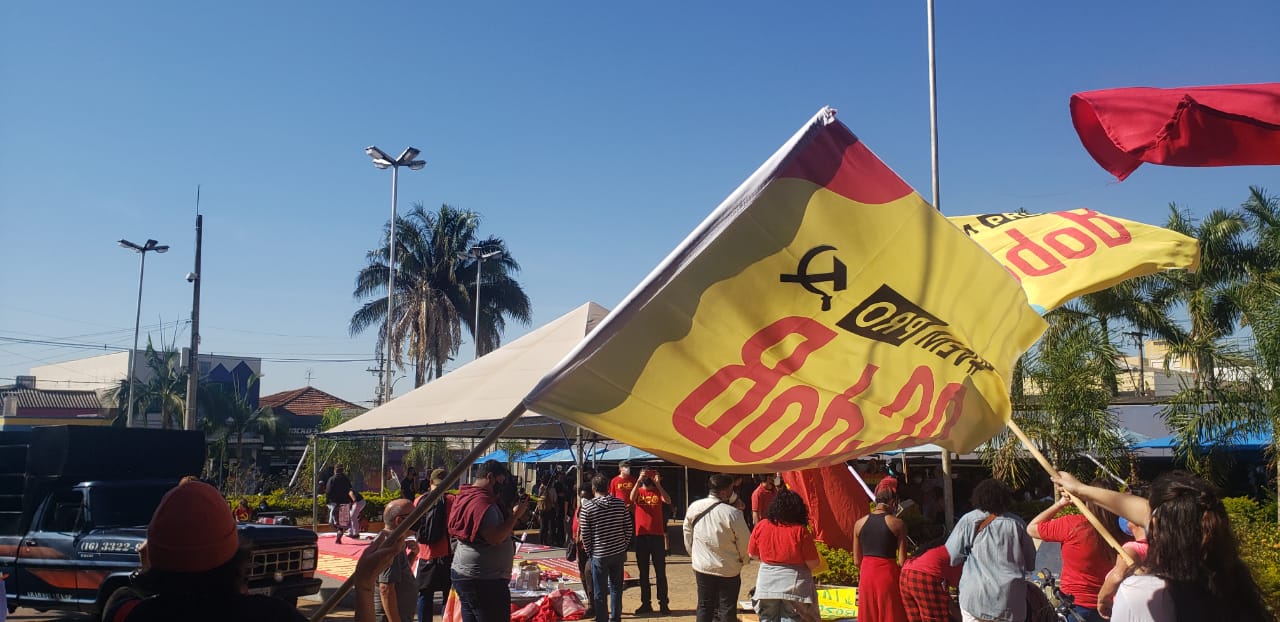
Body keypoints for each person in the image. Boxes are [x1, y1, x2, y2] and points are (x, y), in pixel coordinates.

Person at [103, 480, 404, 622]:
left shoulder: (131, 614)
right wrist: (364, 586)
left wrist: (146, 570)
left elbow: (127, 595)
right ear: (237, 554)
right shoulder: (273, 616)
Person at [1053, 471, 1273, 622]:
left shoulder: (1141, 594)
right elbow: (1166, 516)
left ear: (1156, 525)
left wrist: (1082, 490)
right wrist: (1080, 489)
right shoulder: (1233, 583)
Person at [1026, 479, 1123, 622]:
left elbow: (1032, 528)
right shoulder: (1123, 530)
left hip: (1075, 606)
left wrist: (1060, 504)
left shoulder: (1073, 525)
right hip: (1111, 606)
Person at [447, 460, 529, 622]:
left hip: (468, 574)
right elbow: (495, 537)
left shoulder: (467, 495)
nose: (502, 486)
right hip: (483, 580)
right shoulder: (483, 503)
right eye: (501, 481)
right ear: (490, 477)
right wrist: (515, 516)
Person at [945, 479, 1036, 622]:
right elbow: (1030, 564)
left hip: (975, 598)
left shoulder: (969, 520)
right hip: (1010, 601)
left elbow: (951, 557)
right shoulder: (1018, 523)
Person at [684, 474, 751, 622]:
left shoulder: (694, 507)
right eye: (731, 489)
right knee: (727, 607)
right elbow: (745, 542)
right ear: (724, 492)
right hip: (728, 569)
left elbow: (687, 534)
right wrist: (744, 560)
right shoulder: (733, 514)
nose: (733, 493)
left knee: (704, 606)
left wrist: (694, 555)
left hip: (702, 567)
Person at [748, 489, 821, 622]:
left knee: (767, 618)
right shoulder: (800, 531)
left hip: (766, 584)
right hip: (795, 586)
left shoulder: (762, 525)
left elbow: (752, 554)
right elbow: (813, 563)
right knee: (791, 618)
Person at [580, 473, 634, 622]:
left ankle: (602, 618)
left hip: (599, 554)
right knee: (616, 588)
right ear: (609, 487)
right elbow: (628, 528)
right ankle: (615, 618)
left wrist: (590, 552)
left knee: (600, 591)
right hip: (618, 552)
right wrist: (623, 545)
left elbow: (585, 534)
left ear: (593, 489)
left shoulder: (587, 508)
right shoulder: (620, 504)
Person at [853, 489, 908, 622]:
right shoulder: (897, 524)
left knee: (868, 614)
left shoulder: (859, 523)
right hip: (887, 574)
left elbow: (856, 561)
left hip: (866, 574)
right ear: (893, 502)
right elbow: (902, 561)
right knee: (890, 613)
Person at [630, 468, 672, 615]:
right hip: (641, 536)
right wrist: (638, 481)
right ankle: (646, 603)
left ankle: (663, 603)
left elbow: (668, 500)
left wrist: (658, 484)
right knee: (643, 572)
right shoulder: (638, 491)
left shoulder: (658, 491)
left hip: (657, 536)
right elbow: (631, 498)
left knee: (660, 572)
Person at [1096, 509, 1149, 619]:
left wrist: (1102, 600)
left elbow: (1117, 576)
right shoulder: (1158, 547)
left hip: (1129, 613)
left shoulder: (1132, 549)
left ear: (1133, 523)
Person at [416, 468, 454, 622]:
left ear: (430, 482)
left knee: (424, 595)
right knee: (447, 595)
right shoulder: (451, 500)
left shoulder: (419, 500)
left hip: (425, 555)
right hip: (446, 554)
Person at [375, 499, 419, 622]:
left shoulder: (396, 541)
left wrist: (413, 555)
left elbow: (398, 573)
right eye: (414, 516)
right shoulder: (391, 545)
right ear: (399, 520)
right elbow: (386, 588)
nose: (417, 520)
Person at [899, 539, 962, 622]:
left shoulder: (938, 549)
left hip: (905, 573)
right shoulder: (960, 555)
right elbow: (959, 586)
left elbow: (947, 599)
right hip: (924, 576)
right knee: (935, 618)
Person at [570, 486, 596, 618]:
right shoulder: (578, 510)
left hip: (591, 549)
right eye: (581, 497)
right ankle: (591, 603)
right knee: (583, 577)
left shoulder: (594, 511)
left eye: (586, 497)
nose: (584, 499)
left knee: (589, 576)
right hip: (580, 549)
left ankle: (593, 606)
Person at [327, 464, 356, 544]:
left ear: (335, 470)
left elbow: (328, 491)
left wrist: (327, 501)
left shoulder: (332, 479)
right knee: (342, 523)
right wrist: (351, 501)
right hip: (344, 503)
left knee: (332, 522)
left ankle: (338, 530)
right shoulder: (346, 479)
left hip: (335, 503)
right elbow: (349, 490)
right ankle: (339, 533)